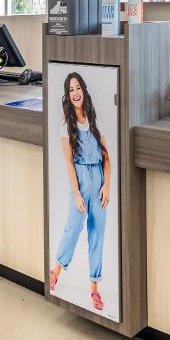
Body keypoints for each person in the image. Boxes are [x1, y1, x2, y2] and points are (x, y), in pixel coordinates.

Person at [50, 72, 112, 312]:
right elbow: (69, 165)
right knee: (73, 228)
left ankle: (94, 288)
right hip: (80, 183)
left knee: (97, 234)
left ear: (84, 90)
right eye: (70, 90)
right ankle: (55, 272)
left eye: (78, 88)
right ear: (68, 96)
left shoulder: (96, 122)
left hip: (98, 182)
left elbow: (107, 158)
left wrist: (107, 185)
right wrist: (76, 194)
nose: (75, 93)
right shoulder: (66, 127)